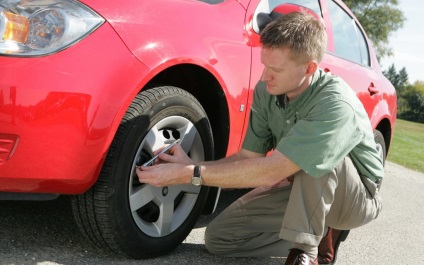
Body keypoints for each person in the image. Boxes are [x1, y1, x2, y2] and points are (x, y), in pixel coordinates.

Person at [136, 9, 383, 265]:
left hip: (355, 198)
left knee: (315, 158)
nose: (265, 77)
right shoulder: (268, 91)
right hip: (300, 183)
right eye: (265, 65)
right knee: (219, 238)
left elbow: (272, 171)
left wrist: (191, 175)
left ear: (309, 68)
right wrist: (188, 165)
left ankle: (304, 251)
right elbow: (246, 158)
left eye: (275, 69)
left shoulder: (334, 103)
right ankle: (318, 229)